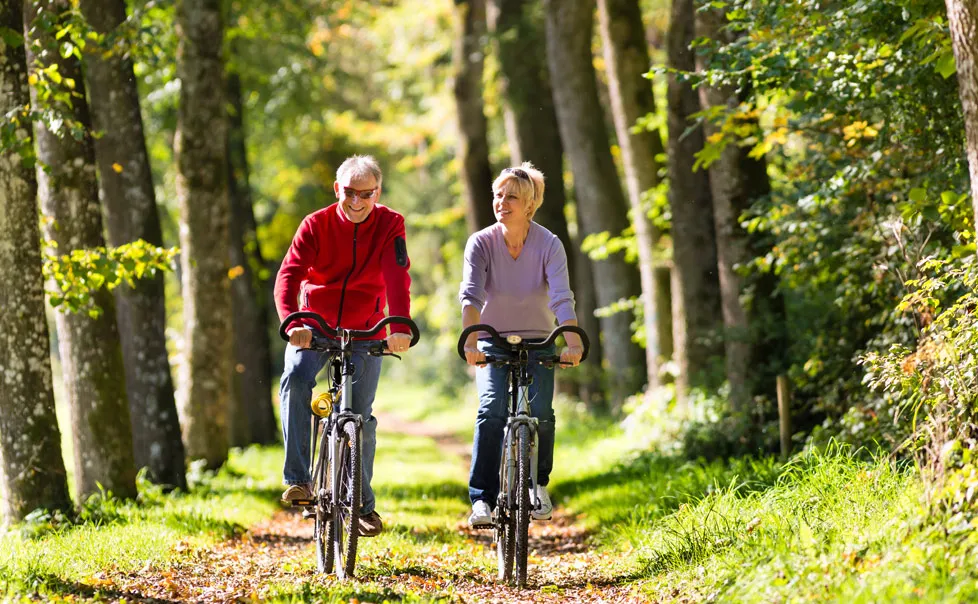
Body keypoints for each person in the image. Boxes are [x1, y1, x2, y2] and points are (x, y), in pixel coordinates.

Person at [274, 154, 413, 537]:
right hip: (313, 324)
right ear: (337, 189)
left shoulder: (390, 223)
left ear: (377, 192)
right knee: (297, 377)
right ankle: (299, 478)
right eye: (349, 193)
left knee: (361, 418)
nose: (356, 202)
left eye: (365, 194)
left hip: (367, 328)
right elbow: (289, 275)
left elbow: (397, 275)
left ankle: (362, 504)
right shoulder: (315, 224)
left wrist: (399, 325)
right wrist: (293, 321)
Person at [458, 162, 584, 527]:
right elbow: (471, 296)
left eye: (511, 196)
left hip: (540, 340)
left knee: (542, 413)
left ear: (530, 205)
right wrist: (471, 339)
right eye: (498, 195)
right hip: (493, 342)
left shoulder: (549, 244)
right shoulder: (481, 242)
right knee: (491, 410)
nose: (502, 202)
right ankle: (482, 499)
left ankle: (538, 484)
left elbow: (562, 298)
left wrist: (572, 341)